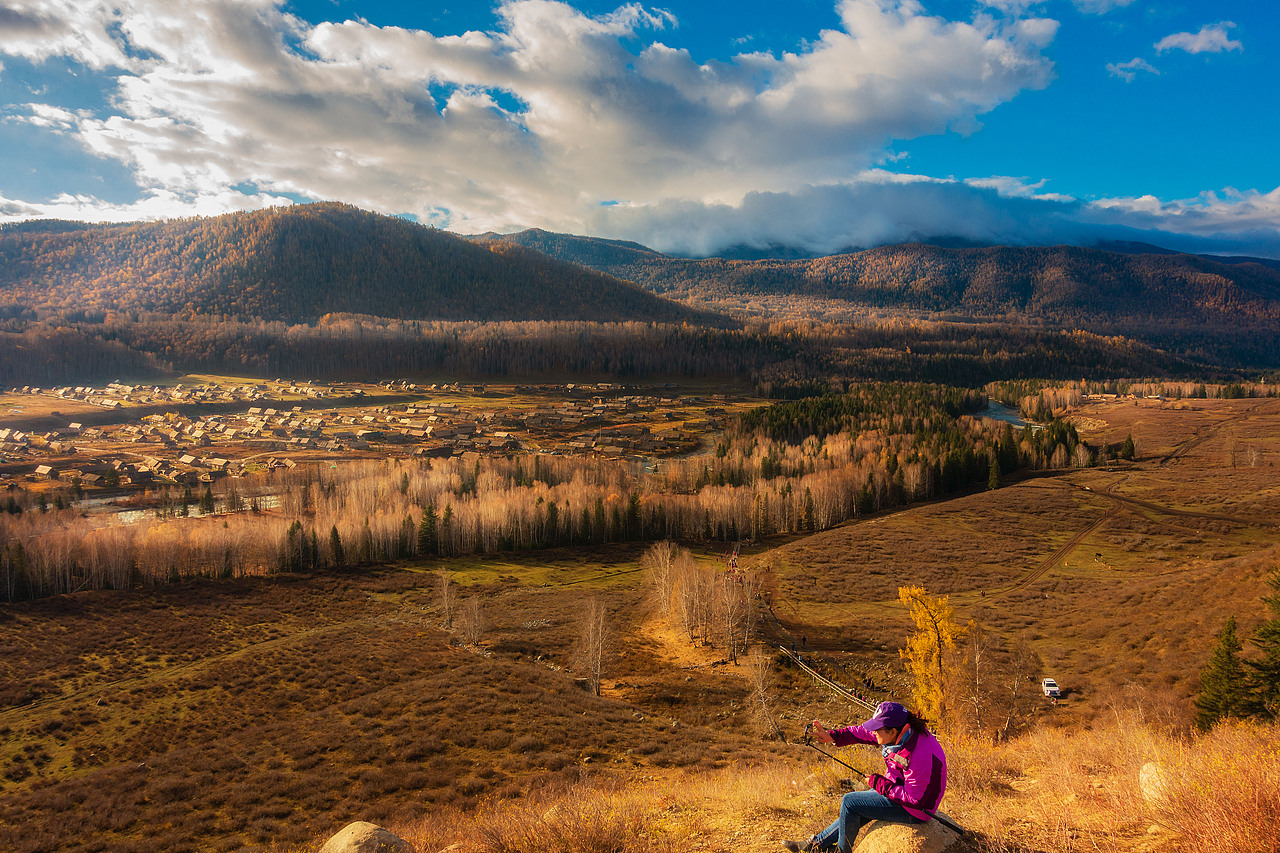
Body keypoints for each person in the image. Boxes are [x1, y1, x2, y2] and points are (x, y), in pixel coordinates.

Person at [782, 701, 947, 853]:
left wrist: (879, 784)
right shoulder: (901, 732)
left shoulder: (919, 754)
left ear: (893, 731)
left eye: (877, 729)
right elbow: (861, 732)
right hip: (901, 789)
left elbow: (915, 799)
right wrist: (832, 736)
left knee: (850, 802)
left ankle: (839, 851)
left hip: (917, 810)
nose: (873, 732)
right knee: (858, 804)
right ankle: (816, 846)